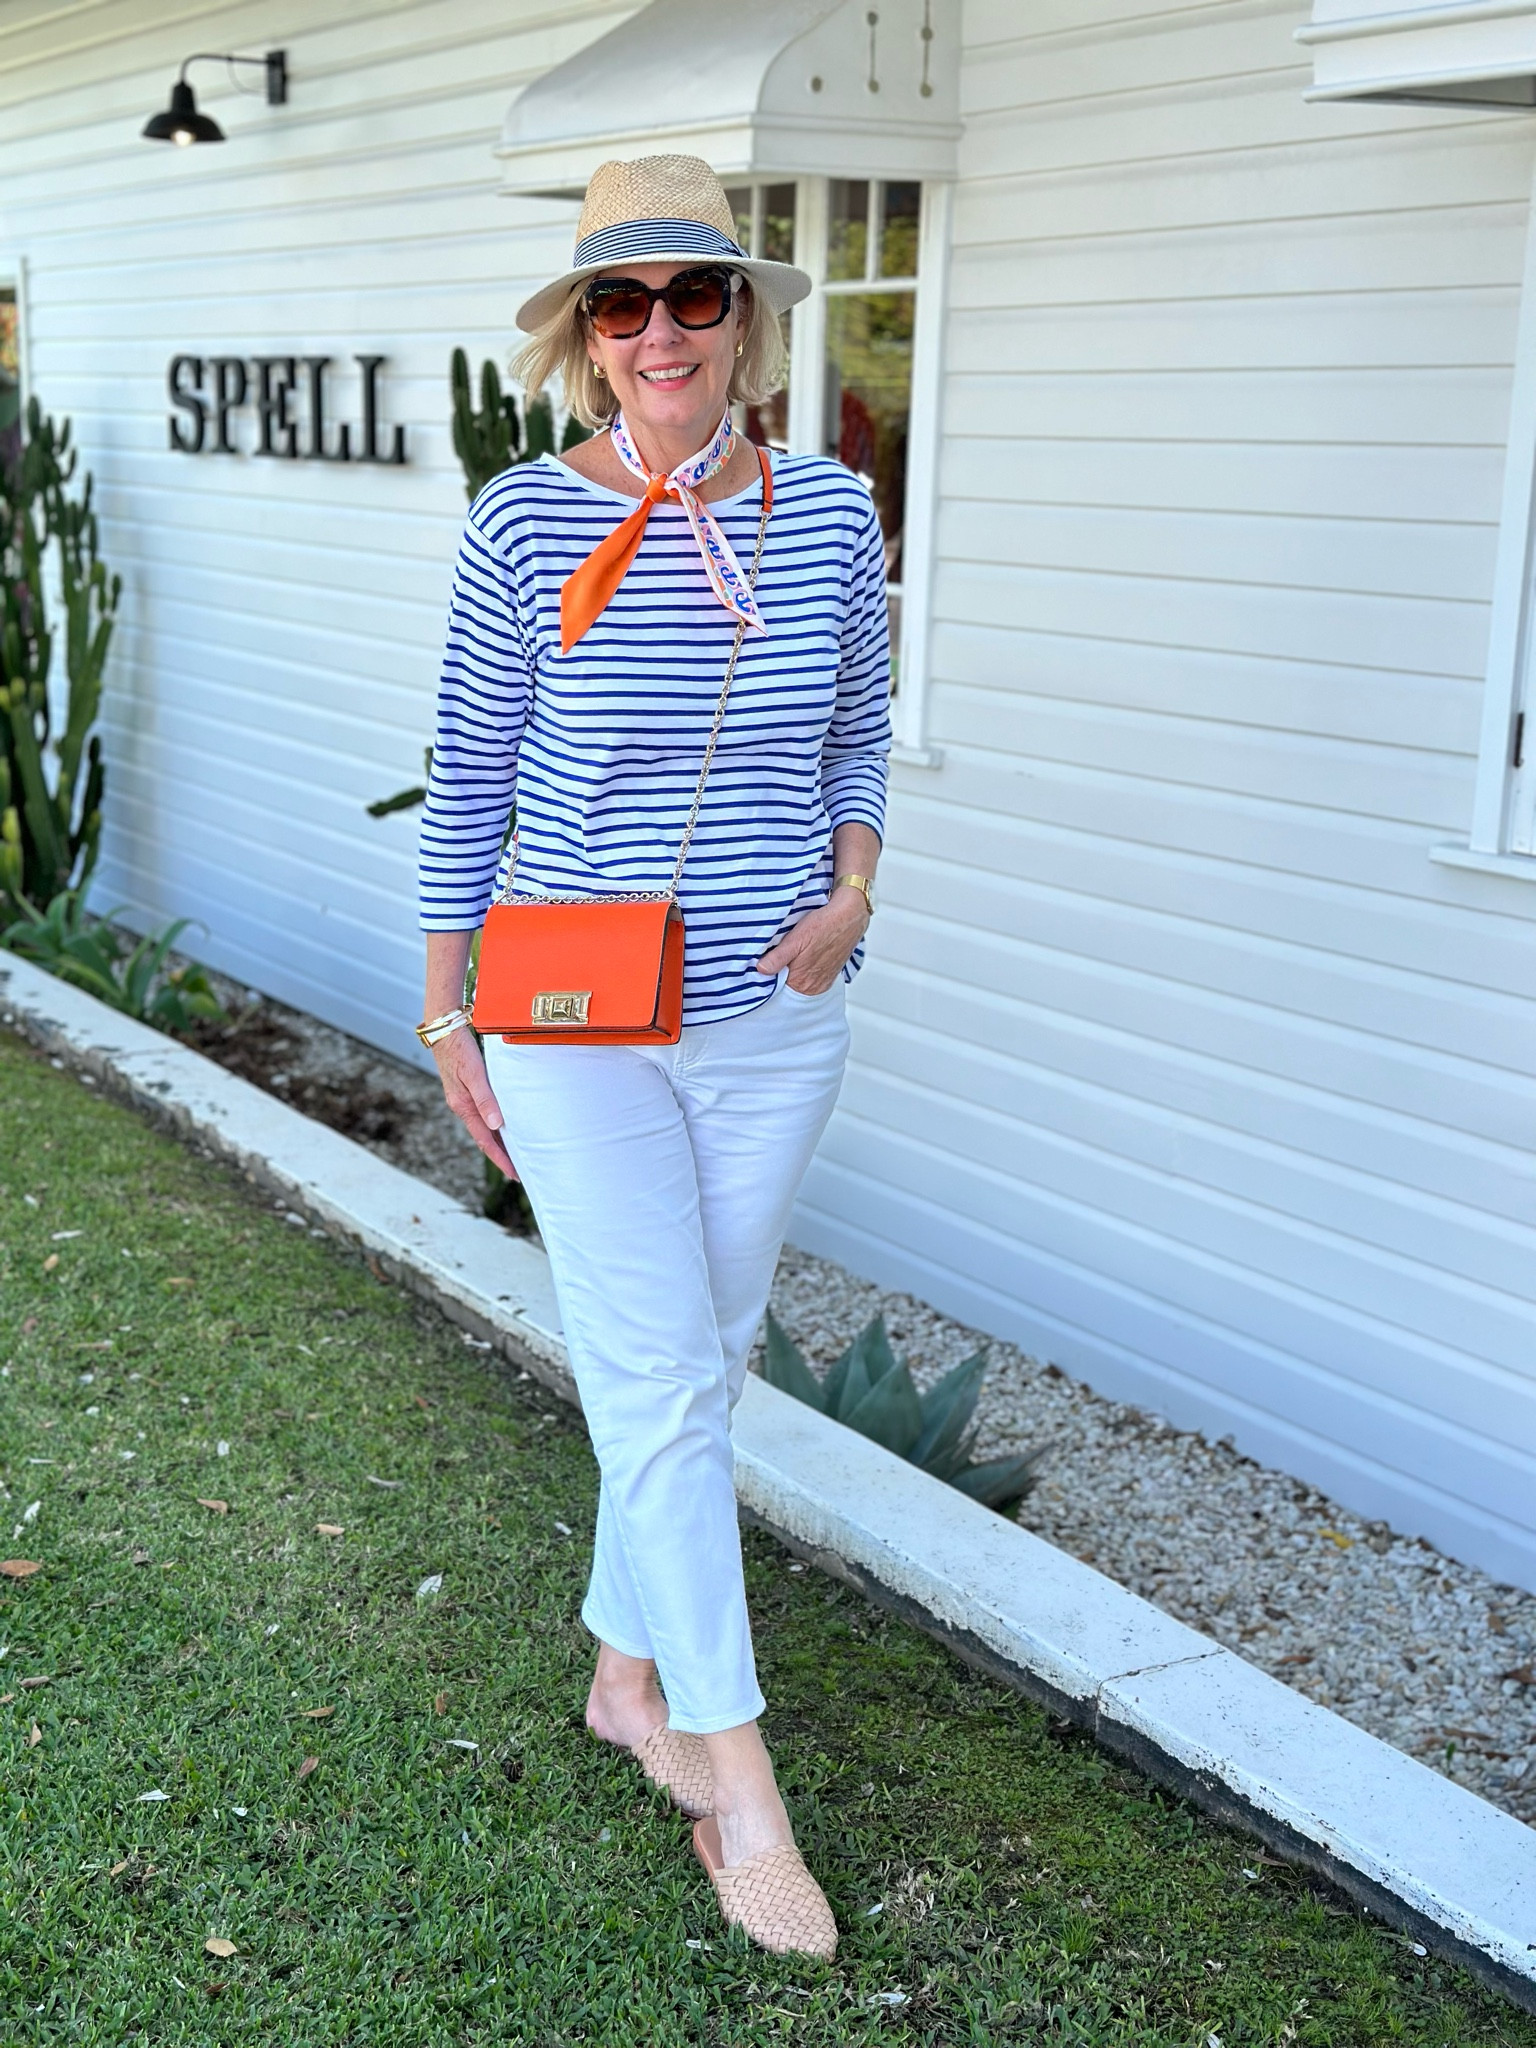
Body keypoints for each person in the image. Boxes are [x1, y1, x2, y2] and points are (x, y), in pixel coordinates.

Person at [415, 154, 890, 1958]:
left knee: (711, 1352)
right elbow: (470, 775)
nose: (662, 332)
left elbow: (859, 727)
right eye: (625, 304)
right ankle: (733, 1774)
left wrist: (853, 890)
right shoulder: (524, 525)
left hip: (774, 1019)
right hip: (573, 1017)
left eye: (696, 297)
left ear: (743, 323)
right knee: (662, 1378)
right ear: (589, 339)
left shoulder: (831, 514)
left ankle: (627, 1675)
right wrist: (450, 1003)